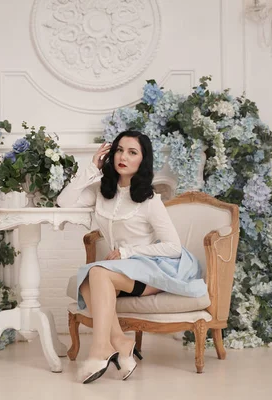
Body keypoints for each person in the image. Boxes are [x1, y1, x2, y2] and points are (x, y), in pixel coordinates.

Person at [57, 130, 207, 384]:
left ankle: (100, 348)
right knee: (88, 280)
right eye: (119, 150)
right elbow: (63, 202)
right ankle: (121, 343)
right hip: (117, 272)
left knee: (95, 273)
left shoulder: (150, 201)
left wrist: (128, 252)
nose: (122, 156)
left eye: (132, 152)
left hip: (149, 271)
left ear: (142, 160)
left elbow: (173, 247)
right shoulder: (100, 192)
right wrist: (91, 168)